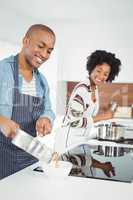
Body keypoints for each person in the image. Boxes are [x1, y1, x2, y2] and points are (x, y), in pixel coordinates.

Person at [0, 24, 56, 179]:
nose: (44, 54)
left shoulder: (42, 81)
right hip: (3, 157)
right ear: (25, 41)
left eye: (49, 51)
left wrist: (46, 118)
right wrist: (1, 120)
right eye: (41, 46)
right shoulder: (3, 70)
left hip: (29, 156)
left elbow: (48, 109)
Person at [55, 50, 121, 178]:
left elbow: (86, 113)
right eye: (98, 71)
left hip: (80, 143)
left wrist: (103, 111)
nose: (101, 76)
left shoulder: (94, 88)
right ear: (91, 68)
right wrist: (104, 116)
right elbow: (74, 120)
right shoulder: (82, 90)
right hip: (68, 145)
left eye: (106, 74)